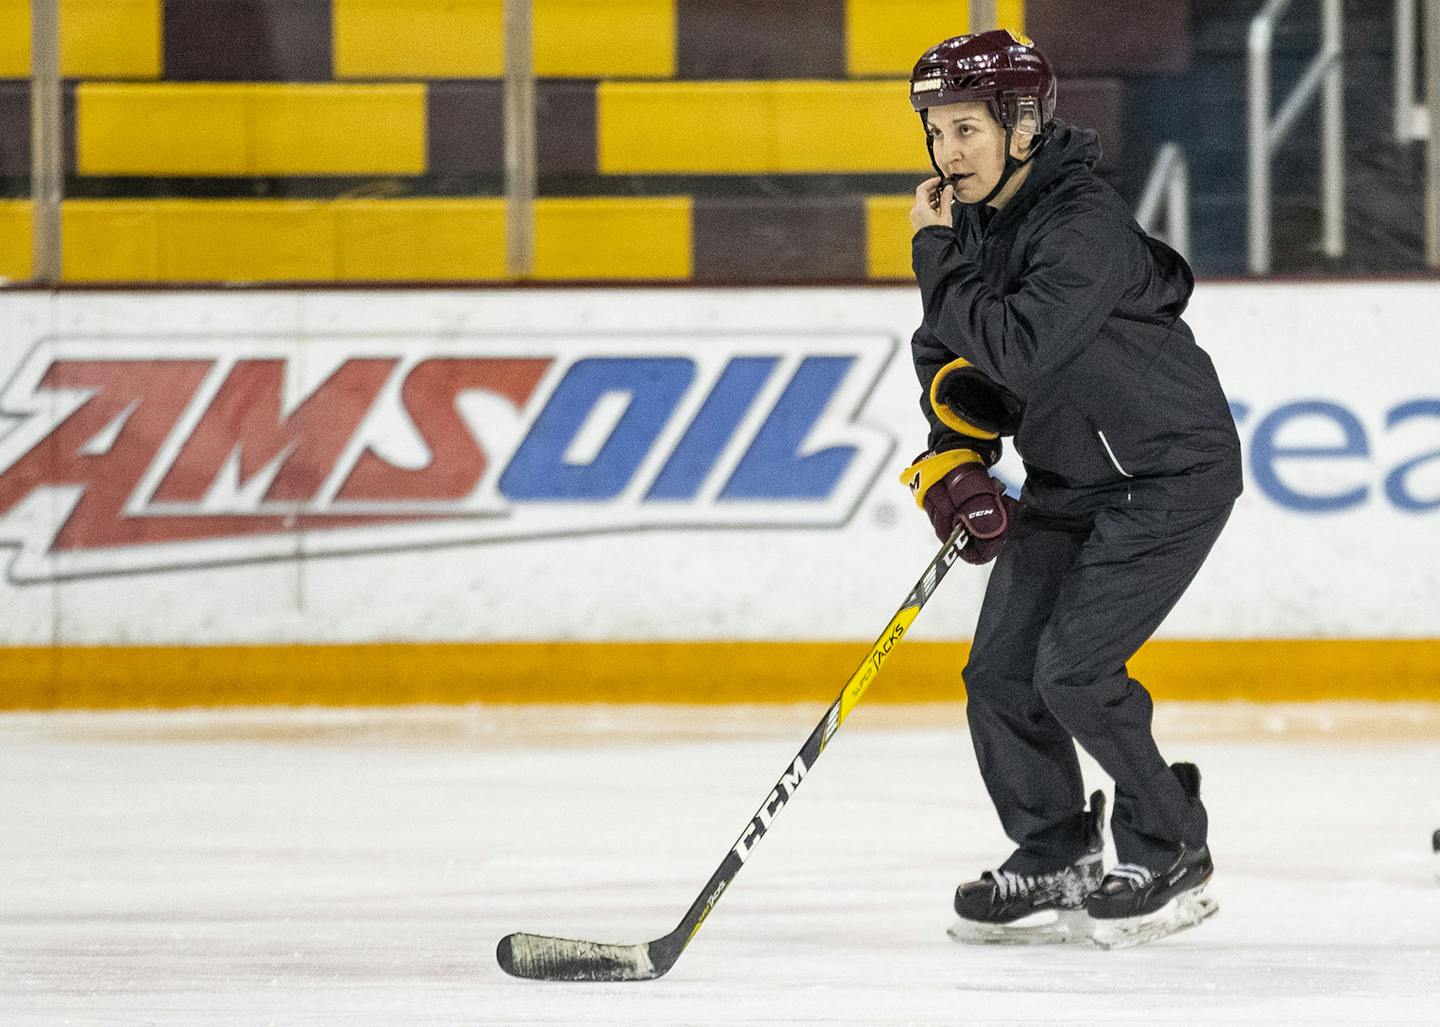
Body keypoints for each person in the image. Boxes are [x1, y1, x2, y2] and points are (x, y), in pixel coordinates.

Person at [899, 30, 1243, 948]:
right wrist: (956, 459)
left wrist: (934, 256)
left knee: (1076, 670)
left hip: (1170, 471)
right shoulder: (974, 225)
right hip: (1072, 477)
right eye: (936, 131)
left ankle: (1172, 843)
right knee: (1000, 675)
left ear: (1022, 127)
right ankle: (1055, 851)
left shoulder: (1078, 219)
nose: (948, 152)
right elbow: (949, 357)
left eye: (967, 128)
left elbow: (1016, 346)